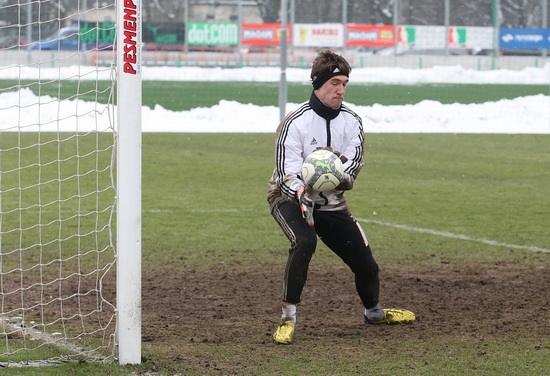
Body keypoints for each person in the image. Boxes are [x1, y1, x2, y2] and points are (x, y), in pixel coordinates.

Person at [267, 50, 415, 345]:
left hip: (332, 203)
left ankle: (374, 313)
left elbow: (353, 167)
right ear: (317, 83)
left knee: (367, 265)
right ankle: (288, 319)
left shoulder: (352, 122)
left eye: (345, 83)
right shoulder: (294, 122)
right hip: (288, 199)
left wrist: (336, 178)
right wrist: (301, 192)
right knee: (304, 242)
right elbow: (286, 173)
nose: (341, 90)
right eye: (335, 82)